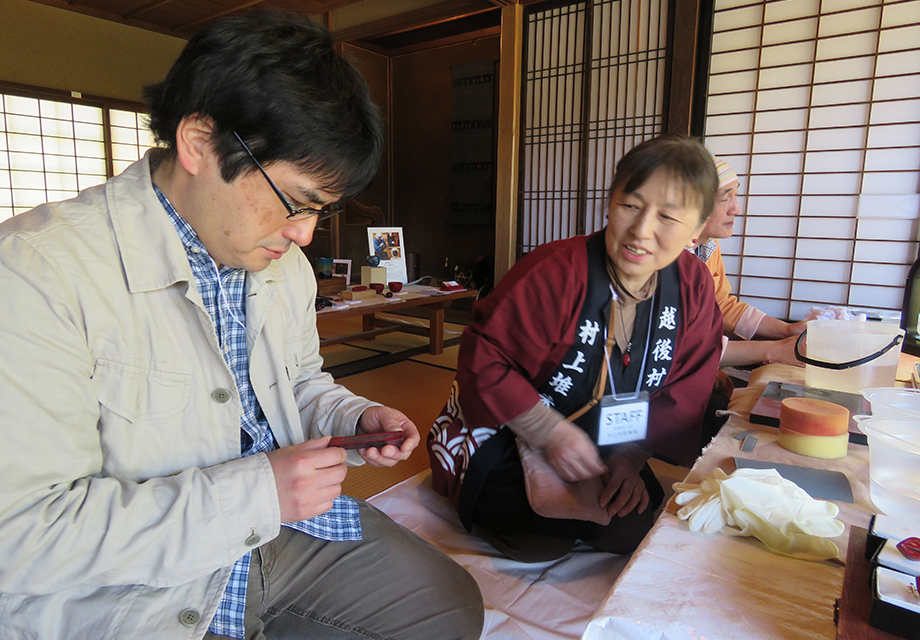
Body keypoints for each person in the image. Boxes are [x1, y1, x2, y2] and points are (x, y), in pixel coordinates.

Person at [0, 12, 482, 640]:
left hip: (282, 530)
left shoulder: (282, 266)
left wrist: (349, 418)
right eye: (294, 201)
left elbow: (298, 379)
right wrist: (258, 496)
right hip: (134, 587)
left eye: (321, 210)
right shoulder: (35, 274)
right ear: (200, 141)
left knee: (449, 609)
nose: (305, 233)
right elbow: (21, 533)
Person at [427, 134, 723, 563]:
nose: (641, 231)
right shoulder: (555, 272)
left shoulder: (694, 285)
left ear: (696, 229)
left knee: (630, 528)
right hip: (514, 426)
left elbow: (687, 384)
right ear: (611, 201)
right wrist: (547, 432)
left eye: (668, 217)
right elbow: (485, 361)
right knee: (534, 540)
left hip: (609, 438)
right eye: (630, 205)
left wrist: (630, 458)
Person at [690, 158, 807, 366]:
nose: (736, 208)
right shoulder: (665, 259)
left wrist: (787, 329)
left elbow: (721, 304)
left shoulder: (708, 244)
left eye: (736, 195)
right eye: (725, 198)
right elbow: (682, 346)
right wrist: (773, 350)